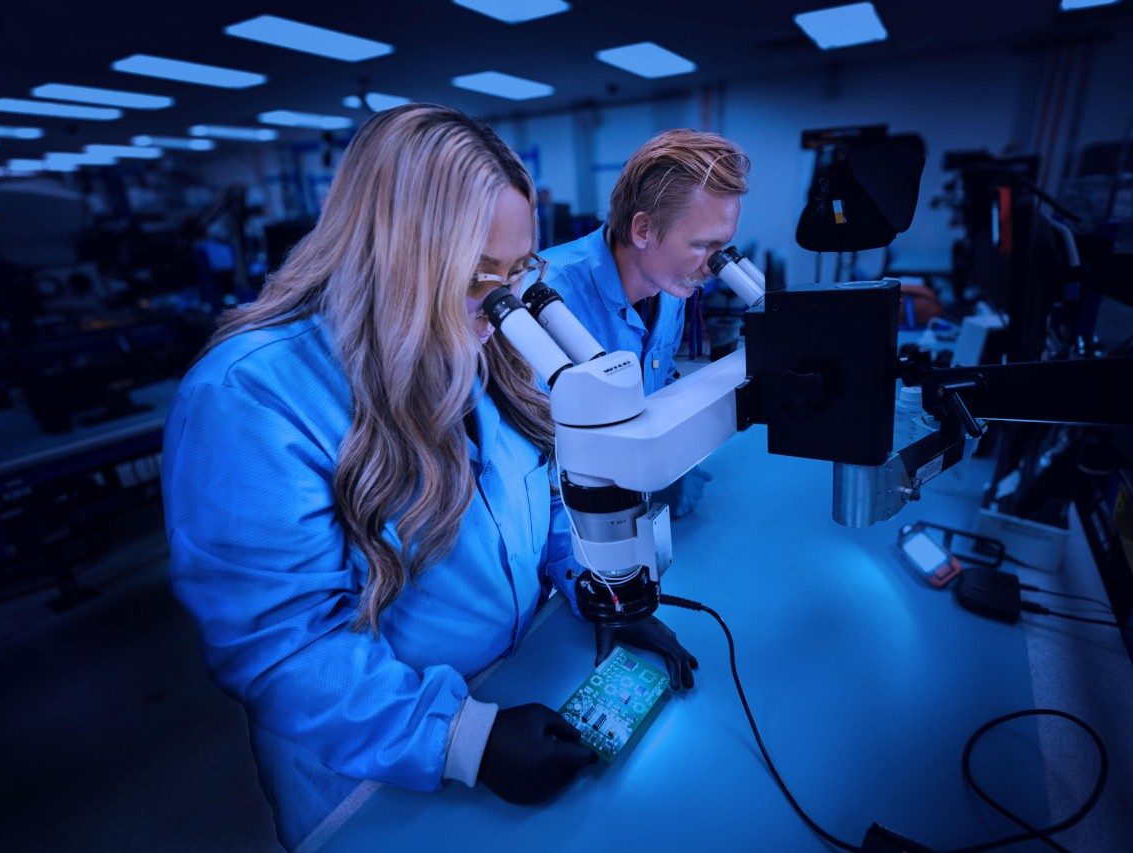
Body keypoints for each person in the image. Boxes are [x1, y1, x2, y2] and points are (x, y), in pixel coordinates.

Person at [161, 104, 697, 849]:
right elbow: (281, 646)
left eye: (518, 273)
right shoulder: (252, 397)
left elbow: (543, 488)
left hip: (509, 686)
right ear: (396, 252)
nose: (505, 306)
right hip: (370, 769)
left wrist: (592, 585)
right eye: (484, 277)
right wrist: (461, 737)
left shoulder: (482, 342)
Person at [539, 130, 749, 518]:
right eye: (703, 246)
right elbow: (535, 453)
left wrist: (669, 466)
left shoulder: (671, 286)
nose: (713, 266)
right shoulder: (548, 299)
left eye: (722, 247)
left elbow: (660, 376)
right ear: (643, 229)